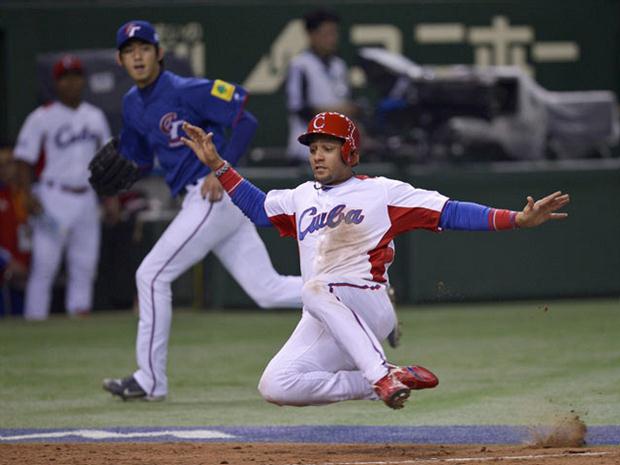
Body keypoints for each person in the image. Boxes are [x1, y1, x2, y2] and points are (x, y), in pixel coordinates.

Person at [181, 111, 570, 409]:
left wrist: (516, 220)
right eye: (313, 148)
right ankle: (384, 379)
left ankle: (380, 373)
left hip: (368, 303)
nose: (317, 155)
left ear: (349, 151)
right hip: (324, 312)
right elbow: (259, 209)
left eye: (328, 148)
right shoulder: (301, 196)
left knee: (314, 287)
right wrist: (217, 164)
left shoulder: (382, 192)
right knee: (277, 385)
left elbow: (450, 212)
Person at [101, 20, 302, 402]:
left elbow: (246, 116)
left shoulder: (185, 89)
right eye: (129, 51)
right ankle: (351, 291)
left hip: (211, 195)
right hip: (204, 202)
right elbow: (141, 157)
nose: (137, 56)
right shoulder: (131, 104)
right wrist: (125, 167)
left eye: (144, 48)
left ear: (159, 53)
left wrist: (222, 168)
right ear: (120, 59)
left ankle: (149, 380)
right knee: (267, 289)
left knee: (151, 275)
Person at [13, 55, 111, 320]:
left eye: (76, 76)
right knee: (45, 265)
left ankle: (79, 319)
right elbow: (23, 161)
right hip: (52, 196)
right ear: (56, 83)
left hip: (87, 198)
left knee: (85, 266)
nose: (71, 82)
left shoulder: (95, 117)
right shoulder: (41, 117)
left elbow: (107, 159)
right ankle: (35, 322)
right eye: (65, 77)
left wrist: (110, 197)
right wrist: (26, 194)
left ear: (83, 80)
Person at [286, 9, 357, 161]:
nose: (331, 39)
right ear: (312, 35)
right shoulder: (300, 65)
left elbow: (346, 101)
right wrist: (335, 112)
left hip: (337, 151)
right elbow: (299, 108)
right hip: (305, 151)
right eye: (326, 34)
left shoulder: (339, 65)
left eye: (334, 33)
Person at [0, 146, 30, 317]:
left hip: (25, 274)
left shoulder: (25, 196)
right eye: (0, 165)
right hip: (5, 272)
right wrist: (7, 262)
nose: (4, 169)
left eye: (9, 163)